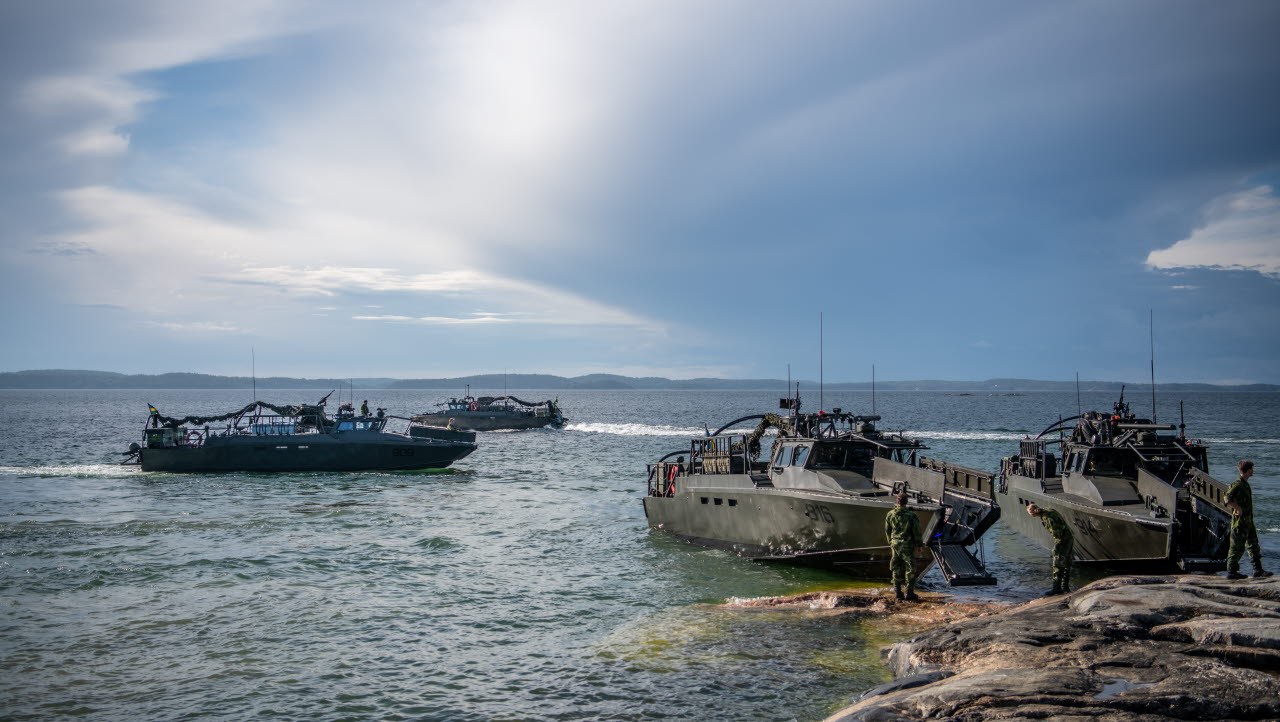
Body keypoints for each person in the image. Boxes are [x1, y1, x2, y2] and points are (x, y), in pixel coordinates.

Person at [1225, 460, 1271, 580]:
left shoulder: (1245, 484)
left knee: (1254, 546)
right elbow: (1227, 498)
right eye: (1252, 469)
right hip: (1240, 523)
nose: (1253, 471)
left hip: (1248, 521)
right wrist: (1237, 508)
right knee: (1237, 547)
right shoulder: (1238, 484)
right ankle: (1231, 572)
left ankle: (1258, 570)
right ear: (1248, 470)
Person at [1027, 503, 1074, 595]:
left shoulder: (1047, 518)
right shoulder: (1048, 510)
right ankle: (1065, 587)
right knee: (1067, 563)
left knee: (1057, 564)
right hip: (1069, 537)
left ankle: (1057, 589)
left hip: (1062, 540)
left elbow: (1058, 534)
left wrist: (1056, 547)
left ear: (1032, 514)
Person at [884, 493, 922, 601]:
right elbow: (917, 532)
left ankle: (897, 591)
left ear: (897, 501)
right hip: (907, 544)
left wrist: (890, 541)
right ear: (906, 502)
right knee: (910, 568)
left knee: (895, 566)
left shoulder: (890, 514)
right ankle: (909, 592)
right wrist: (919, 545)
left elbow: (887, 530)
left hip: (895, 543)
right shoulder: (911, 515)